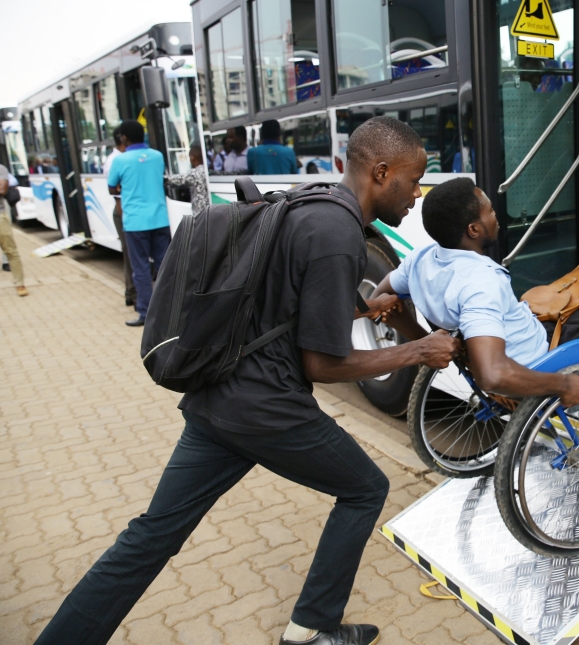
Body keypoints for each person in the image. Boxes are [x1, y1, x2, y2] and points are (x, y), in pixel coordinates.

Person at [34, 116, 461, 645]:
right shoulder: (339, 235)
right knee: (366, 488)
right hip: (267, 409)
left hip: (217, 399)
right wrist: (418, 350)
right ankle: (311, 631)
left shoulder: (313, 202)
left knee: (150, 535)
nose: (418, 193)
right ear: (380, 172)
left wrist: (361, 309)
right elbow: (321, 368)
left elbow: (281, 302)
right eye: (414, 179)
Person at [371, 178, 579, 402]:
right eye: (489, 210)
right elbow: (493, 374)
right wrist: (563, 385)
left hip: (510, 335)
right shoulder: (480, 280)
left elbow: (384, 292)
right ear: (473, 229)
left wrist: (381, 308)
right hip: (535, 358)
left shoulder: (421, 259)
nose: (495, 215)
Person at [107, 120, 170, 327]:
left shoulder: (120, 160)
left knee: (141, 268)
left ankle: (145, 313)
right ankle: (169, 311)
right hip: (160, 219)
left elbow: (111, 188)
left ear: (124, 138)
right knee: (164, 266)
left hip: (135, 222)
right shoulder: (158, 155)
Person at [104, 127, 137, 307]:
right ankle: (132, 293)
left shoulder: (120, 157)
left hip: (127, 210)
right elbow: (116, 192)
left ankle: (130, 292)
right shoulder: (116, 160)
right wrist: (125, 218)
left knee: (131, 254)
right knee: (130, 254)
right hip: (123, 210)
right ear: (123, 139)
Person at [0, 163, 27, 297]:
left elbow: (3, 190)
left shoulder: (1, 169)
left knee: (11, 251)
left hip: (0, 216)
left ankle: (20, 284)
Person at [164, 145, 210, 215]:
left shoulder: (194, 173)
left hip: (200, 215)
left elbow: (173, 179)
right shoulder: (209, 170)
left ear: (192, 158)